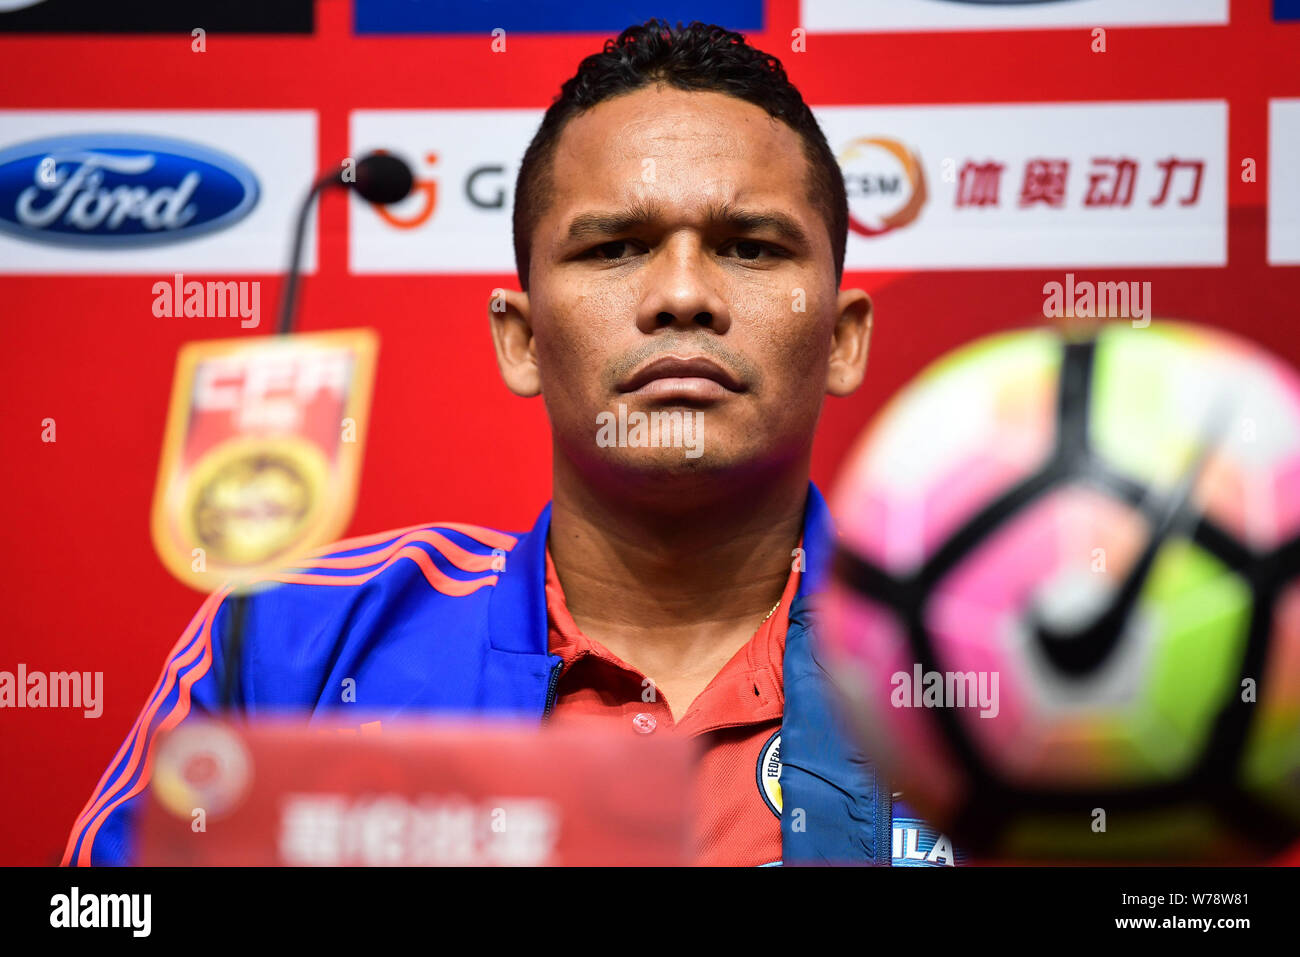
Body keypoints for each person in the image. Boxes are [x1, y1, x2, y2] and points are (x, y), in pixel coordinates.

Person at [65, 18, 932, 867]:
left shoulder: (989, 657)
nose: (681, 294)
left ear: (843, 338)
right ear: (520, 339)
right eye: (615, 247)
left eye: (748, 247)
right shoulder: (290, 638)